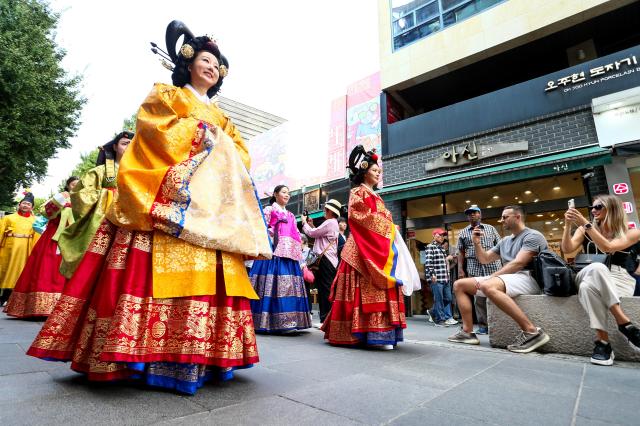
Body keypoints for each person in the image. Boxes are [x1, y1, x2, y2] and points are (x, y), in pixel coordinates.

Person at [27, 21, 272, 395]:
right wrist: (205, 141)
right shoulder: (167, 96)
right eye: (205, 60)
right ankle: (138, 353)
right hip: (169, 198)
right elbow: (156, 131)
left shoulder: (224, 118)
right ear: (188, 64)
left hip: (211, 213)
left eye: (216, 65)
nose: (211, 67)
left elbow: (241, 157)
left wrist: (218, 143)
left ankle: (202, 354)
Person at [322, 145, 420, 348]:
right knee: (366, 285)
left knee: (379, 284)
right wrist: (388, 227)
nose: (378, 174)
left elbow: (376, 217)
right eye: (375, 171)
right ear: (364, 171)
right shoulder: (358, 192)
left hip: (378, 245)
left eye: (379, 172)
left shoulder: (377, 196)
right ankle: (362, 333)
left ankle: (380, 332)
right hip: (360, 248)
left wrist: (389, 228)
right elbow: (359, 216)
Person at [448, 205, 551, 353]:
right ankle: (467, 332)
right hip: (509, 278)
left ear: (517, 217)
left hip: (528, 277)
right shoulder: (505, 241)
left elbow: (519, 263)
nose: (501, 220)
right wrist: (476, 243)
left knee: (488, 285)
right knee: (459, 285)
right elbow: (484, 259)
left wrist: (492, 277)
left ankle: (532, 332)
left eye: (505, 217)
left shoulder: (533, 235)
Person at [562, 195, 640, 365]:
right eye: (593, 206)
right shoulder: (584, 230)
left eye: (598, 206)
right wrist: (568, 226)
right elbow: (567, 249)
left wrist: (585, 223)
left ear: (612, 209)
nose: (593, 210)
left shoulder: (632, 232)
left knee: (586, 289)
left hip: (619, 278)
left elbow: (608, 248)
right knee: (597, 268)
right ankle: (624, 323)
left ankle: (603, 343)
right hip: (587, 271)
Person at [57, 132, 132, 278]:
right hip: (102, 225)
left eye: (132, 144)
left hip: (129, 226)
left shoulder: (142, 173)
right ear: (115, 147)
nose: (129, 147)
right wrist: (109, 194)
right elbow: (80, 196)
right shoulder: (99, 172)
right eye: (124, 143)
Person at [4, 177, 79, 317]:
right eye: (73, 184)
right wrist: (61, 201)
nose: (76, 187)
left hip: (73, 239)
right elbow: (47, 212)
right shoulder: (61, 197)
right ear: (68, 185)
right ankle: (37, 307)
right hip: (53, 237)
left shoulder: (84, 199)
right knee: (46, 267)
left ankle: (64, 308)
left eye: (78, 185)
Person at [249, 185, 311, 333]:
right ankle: (270, 321)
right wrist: (271, 232)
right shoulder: (269, 210)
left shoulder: (290, 215)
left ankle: (289, 321)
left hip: (289, 255)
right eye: (284, 192)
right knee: (271, 286)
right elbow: (260, 227)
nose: (287, 195)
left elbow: (296, 234)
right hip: (272, 253)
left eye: (288, 193)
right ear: (275, 194)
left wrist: (300, 259)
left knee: (288, 285)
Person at [457, 205, 502, 335]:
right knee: (479, 298)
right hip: (473, 267)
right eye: (469, 213)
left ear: (480, 214)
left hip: (493, 267)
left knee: (496, 295)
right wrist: (461, 270)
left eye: (474, 213)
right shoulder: (463, 232)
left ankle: (497, 325)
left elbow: (500, 247)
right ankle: (483, 326)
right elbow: (460, 252)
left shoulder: (491, 228)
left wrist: (505, 266)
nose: (471, 215)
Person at [301, 199, 341, 325]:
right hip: (330, 260)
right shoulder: (333, 223)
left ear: (329, 211)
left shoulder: (329, 222)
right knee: (326, 289)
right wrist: (311, 225)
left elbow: (312, 234)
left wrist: (304, 223)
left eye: (325, 209)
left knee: (325, 290)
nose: (324, 211)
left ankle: (325, 319)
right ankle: (326, 318)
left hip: (325, 260)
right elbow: (319, 234)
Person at [0, 192, 39, 306]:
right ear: (19, 204)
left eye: (28, 204)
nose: (25, 205)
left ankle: (12, 298)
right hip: (9, 247)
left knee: (20, 272)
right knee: (5, 269)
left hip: (25, 248)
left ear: (32, 207)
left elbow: (37, 236)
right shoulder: (8, 218)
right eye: (23, 203)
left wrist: (35, 252)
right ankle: (3, 297)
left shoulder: (34, 220)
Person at [424, 229, 457, 326]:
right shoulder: (431, 247)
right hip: (436, 278)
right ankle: (440, 320)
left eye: (443, 236)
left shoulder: (441, 248)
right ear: (434, 236)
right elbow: (429, 263)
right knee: (439, 299)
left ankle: (432, 311)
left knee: (448, 298)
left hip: (445, 278)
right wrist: (432, 274)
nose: (442, 237)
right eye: (440, 235)